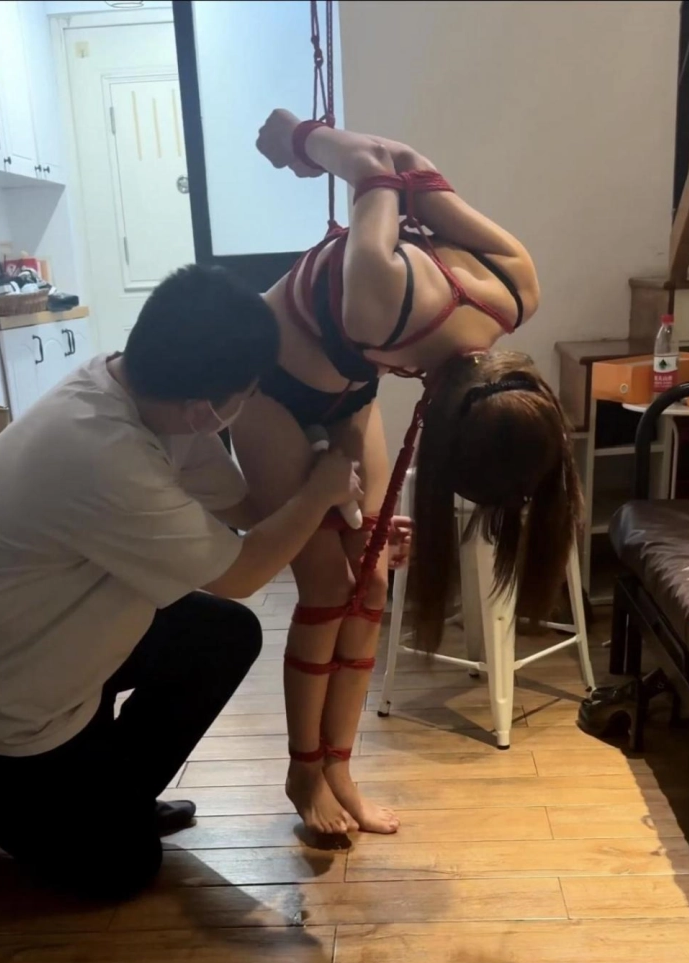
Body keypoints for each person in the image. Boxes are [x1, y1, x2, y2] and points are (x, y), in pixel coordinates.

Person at [232, 111, 582, 838]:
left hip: (349, 389)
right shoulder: (380, 305)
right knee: (326, 587)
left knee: (372, 582)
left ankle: (341, 771)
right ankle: (303, 773)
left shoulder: (518, 289)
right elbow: (372, 164)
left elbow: (410, 170)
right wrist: (297, 139)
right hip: (268, 389)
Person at [0, 264, 360, 899]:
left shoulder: (148, 398)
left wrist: (344, 519)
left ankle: (110, 796)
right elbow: (241, 572)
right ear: (207, 407)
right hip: (5, 703)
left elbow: (243, 508)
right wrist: (318, 493)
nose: (245, 405)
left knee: (222, 638)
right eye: (247, 394)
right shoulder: (100, 452)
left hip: (57, 638)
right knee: (120, 870)